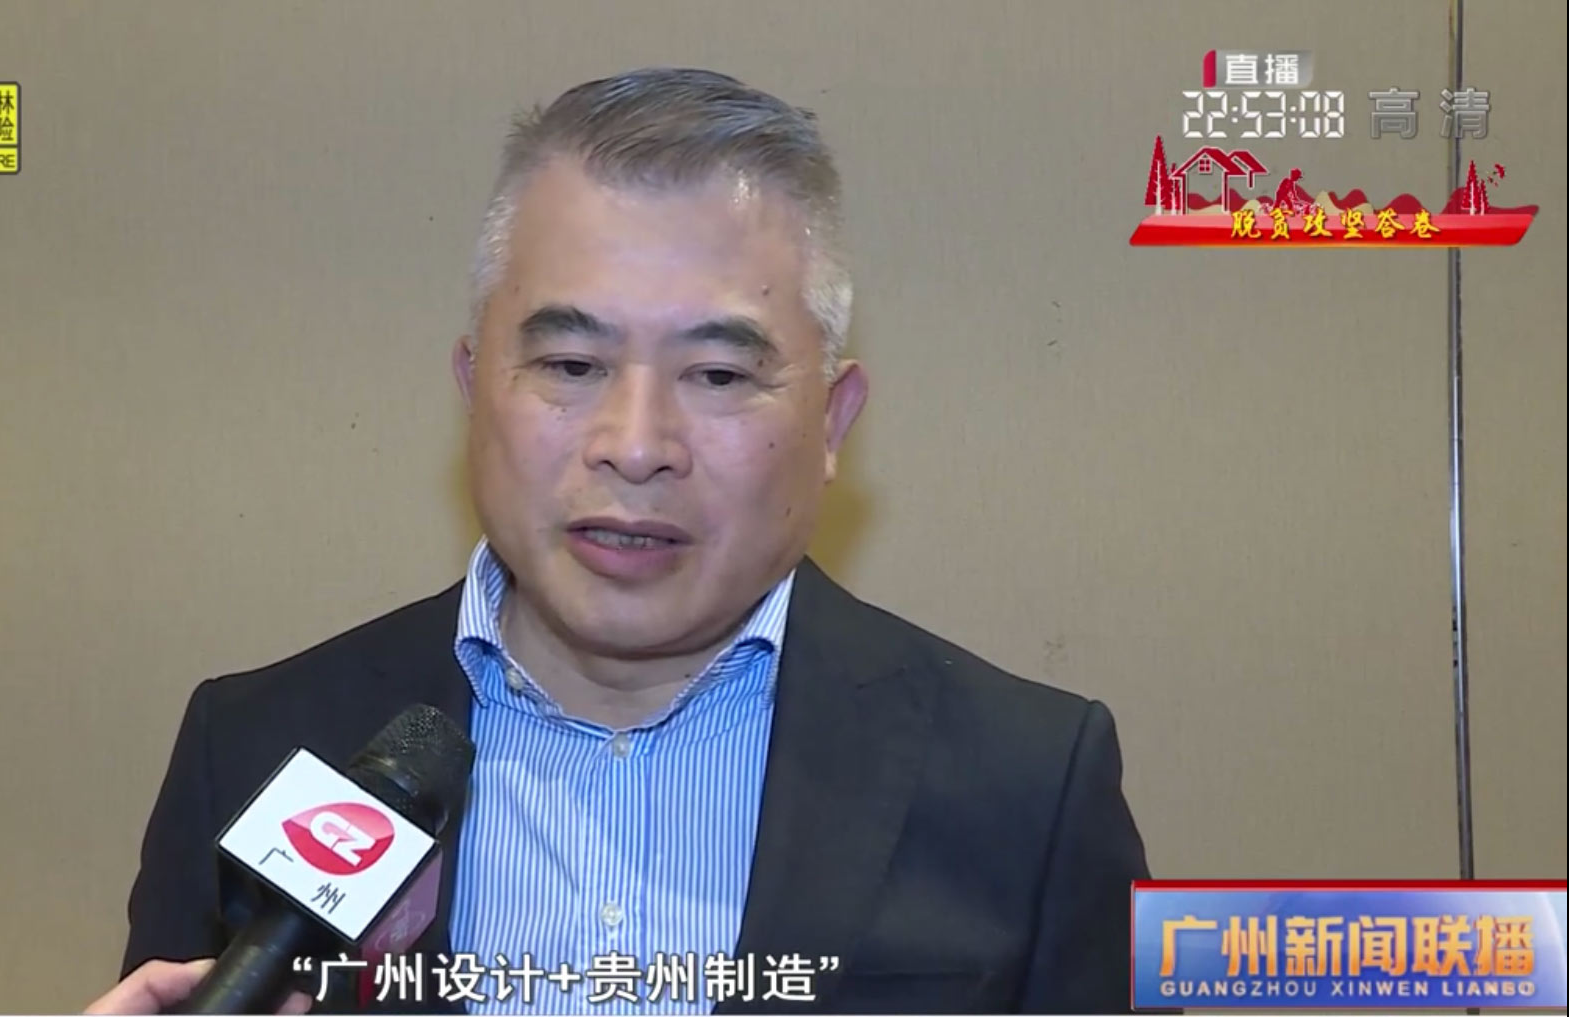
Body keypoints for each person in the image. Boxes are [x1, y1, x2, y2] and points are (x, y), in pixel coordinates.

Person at [91, 67, 1149, 1015]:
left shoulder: (1030, 784)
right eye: (570, 365)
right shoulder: (257, 746)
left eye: (718, 375)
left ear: (831, 424)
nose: (636, 447)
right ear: (473, 390)